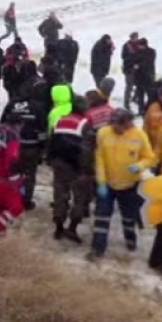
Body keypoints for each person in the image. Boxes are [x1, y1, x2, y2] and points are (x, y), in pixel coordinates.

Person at [91, 108, 157, 258]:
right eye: (115, 125)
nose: (118, 129)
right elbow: (100, 158)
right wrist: (101, 181)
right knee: (102, 216)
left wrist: (139, 166)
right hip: (107, 183)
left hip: (129, 184)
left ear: (128, 123)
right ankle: (97, 248)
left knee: (128, 215)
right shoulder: (103, 133)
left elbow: (150, 158)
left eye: (122, 126)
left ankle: (130, 239)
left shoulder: (139, 135)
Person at [48, 95, 94, 243]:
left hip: (58, 163)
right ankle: (72, 228)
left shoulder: (59, 120)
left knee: (60, 194)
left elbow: (51, 141)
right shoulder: (85, 123)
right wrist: (86, 169)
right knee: (79, 198)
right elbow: (87, 150)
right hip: (76, 166)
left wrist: (50, 160)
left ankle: (59, 227)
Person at [2, 81, 48, 211]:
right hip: (31, 147)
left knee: (12, 173)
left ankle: (11, 198)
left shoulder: (11, 104)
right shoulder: (38, 107)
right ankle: (26, 201)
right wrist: (42, 148)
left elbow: (2, 124)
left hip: (13, 146)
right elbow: (42, 130)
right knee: (29, 175)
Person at [134, 39, 157, 114]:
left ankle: (150, 109)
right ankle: (141, 110)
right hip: (139, 77)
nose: (139, 47)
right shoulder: (137, 52)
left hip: (148, 77)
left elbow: (148, 62)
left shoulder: (151, 52)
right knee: (140, 95)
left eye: (141, 45)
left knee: (150, 95)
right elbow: (134, 61)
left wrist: (139, 65)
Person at [121, 32, 141, 111]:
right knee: (129, 86)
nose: (136, 39)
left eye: (137, 37)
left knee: (139, 85)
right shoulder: (126, 46)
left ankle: (135, 98)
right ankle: (126, 103)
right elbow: (123, 57)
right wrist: (132, 55)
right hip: (129, 69)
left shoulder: (139, 45)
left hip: (138, 69)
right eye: (134, 37)